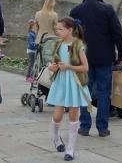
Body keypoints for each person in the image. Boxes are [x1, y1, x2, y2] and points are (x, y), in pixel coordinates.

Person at [70, 0, 122, 137]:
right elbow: (117, 33)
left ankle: (85, 126)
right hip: (104, 57)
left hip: (83, 57)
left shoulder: (76, 11)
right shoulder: (107, 9)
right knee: (103, 92)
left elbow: (73, 36)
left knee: (84, 90)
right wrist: (121, 55)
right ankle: (102, 128)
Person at [47, 17, 90, 161]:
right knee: (57, 116)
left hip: (75, 82)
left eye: (60, 29)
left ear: (70, 30)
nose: (57, 31)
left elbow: (85, 67)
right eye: (57, 29)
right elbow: (54, 63)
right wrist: (52, 67)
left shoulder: (78, 45)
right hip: (60, 82)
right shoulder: (57, 44)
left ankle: (70, 149)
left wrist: (69, 67)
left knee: (73, 115)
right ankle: (56, 139)